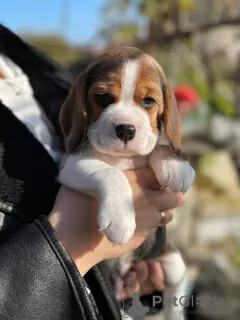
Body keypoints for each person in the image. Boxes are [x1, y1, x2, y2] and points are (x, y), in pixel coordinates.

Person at [0, 24, 184, 320]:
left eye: (147, 101)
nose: (125, 118)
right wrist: (70, 244)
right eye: (105, 98)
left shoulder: (35, 65)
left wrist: (134, 289)